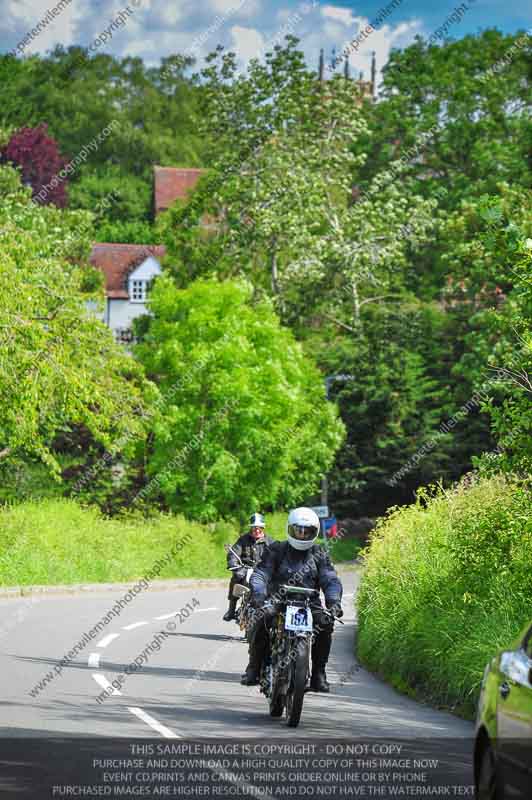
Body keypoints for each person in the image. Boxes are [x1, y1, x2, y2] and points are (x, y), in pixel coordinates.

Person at [241, 507, 343, 692]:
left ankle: (319, 673)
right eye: (298, 530)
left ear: (315, 532)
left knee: (326, 623)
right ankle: (254, 667)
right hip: (278, 600)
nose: (302, 535)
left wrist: (334, 601)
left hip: (309, 603)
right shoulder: (277, 549)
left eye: (307, 531)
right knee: (261, 617)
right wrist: (258, 594)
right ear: (290, 528)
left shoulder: (320, 553)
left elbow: (330, 579)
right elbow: (261, 573)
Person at [222, 513, 274, 622]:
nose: (257, 530)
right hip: (246, 570)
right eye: (254, 527)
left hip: (263, 572)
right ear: (251, 528)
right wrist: (235, 566)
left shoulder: (270, 542)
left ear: (263, 528)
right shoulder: (243, 540)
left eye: (259, 527)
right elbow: (233, 554)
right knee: (236, 578)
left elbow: (278, 556)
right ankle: (231, 609)